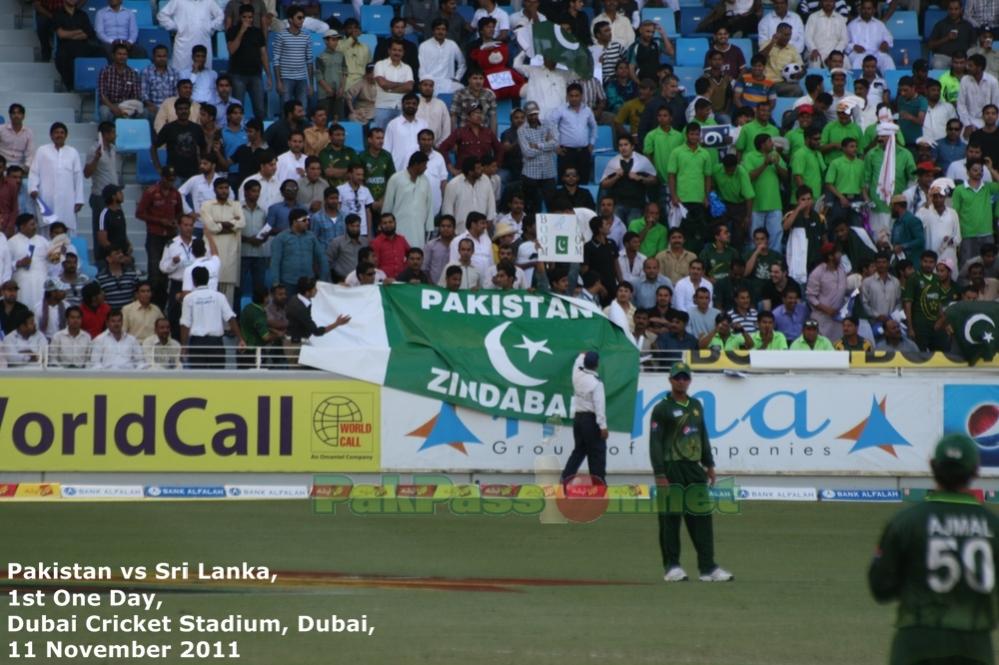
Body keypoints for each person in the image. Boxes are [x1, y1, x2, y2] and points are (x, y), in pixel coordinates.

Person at [869, 433, 999, 665]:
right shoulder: (993, 525)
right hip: (974, 647)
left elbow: (881, 588)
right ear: (976, 471)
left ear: (932, 466)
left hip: (916, 645)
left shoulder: (906, 522)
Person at [650, 361, 733, 583]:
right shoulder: (662, 408)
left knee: (702, 519)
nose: (681, 381)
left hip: (694, 469)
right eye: (678, 377)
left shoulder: (696, 404)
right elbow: (655, 443)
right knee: (670, 519)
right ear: (670, 379)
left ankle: (708, 568)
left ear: (690, 380)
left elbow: (702, 435)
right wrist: (659, 474)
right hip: (671, 468)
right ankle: (672, 567)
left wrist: (709, 464)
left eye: (685, 377)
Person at [180, 265, 245, 369]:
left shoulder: (189, 298)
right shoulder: (219, 296)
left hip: (197, 344)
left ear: (193, 280)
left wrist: (184, 346)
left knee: (198, 379)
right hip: (216, 343)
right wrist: (240, 338)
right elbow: (230, 318)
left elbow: (185, 324)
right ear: (208, 279)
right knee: (217, 379)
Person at [560, 351, 608, 485]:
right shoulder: (596, 383)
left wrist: (582, 355)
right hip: (591, 421)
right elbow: (599, 406)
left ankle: (565, 478)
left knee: (579, 450)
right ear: (597, 365)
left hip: (579, 419)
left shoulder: (577, 374)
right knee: (597, 453)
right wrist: (603, 426)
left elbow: (577, 362)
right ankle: (599, 484)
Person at [28, 123, 84, 234]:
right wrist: (33, 188)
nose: (59, 135)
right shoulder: (42, 151)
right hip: (46, 197)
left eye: (62, 133)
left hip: (67, 200)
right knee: (47, 229)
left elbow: (78, 177)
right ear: (51, 135)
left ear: (66, 135)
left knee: (66, 229)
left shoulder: (73, 152)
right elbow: (34, 171)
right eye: (56, 132)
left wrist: (79, 200)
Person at [284, 275, 350, 362]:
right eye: (314, 289)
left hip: (294, 342)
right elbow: (317, 332)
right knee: (298, 374)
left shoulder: (295, 299)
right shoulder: (300, 309)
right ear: (307, 292)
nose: (317, 290)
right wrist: (337, 323)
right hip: (295, 346)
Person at [226, 3, 270, 122]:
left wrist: (269, 75)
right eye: (245, 17)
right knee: (237, 109)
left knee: (260, 109)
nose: (248, 20)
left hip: (256, 75)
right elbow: (231, 50)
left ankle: (259, 134)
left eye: (250, 17)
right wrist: (241, 32)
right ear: (240, 17)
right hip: (237, 75)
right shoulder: (232, 31)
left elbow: (263, 54)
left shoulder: (257, 32)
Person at [382, 152, 434, 248]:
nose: (426, 168)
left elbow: (429, 206)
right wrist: (385, 225)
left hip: (419, 228)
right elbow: (388, 204)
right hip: (399, 227)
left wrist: (429, 228)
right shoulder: (396, 179)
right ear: (416, 164)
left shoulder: (425, 181)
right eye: (424, 165)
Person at [157, 0, 224, 73]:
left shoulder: (209, 2)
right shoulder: (177, 1)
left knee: (203, 74)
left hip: (203, 41)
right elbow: (162, 15)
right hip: (183, 46)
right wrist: (175, 27)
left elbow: (221, 15)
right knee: (181, 74)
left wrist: (210, 27)